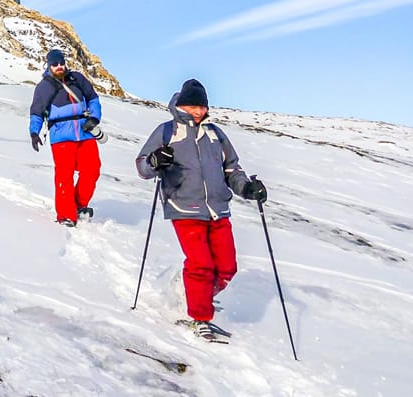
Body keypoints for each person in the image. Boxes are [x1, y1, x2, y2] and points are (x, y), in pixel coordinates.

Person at [135, 79, 267, 342]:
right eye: (194, 106)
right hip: (183, 206)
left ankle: (196, 294)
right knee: (201, 265)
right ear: (182, 105)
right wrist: (155, 161)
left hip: (218, 209)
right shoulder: (166, 131)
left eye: (202, 106)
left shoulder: (216, 134)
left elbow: (232, 169)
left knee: (227, 267)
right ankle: (200, 317)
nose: (199, 111)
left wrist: (248, 189)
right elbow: (142, 167)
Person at [28, 49, 103, 226]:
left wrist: (94, 117)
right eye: (55, 64)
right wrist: (33, 132)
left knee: (92, 170)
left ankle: (79, 204)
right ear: (49, 65)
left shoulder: (77, 78)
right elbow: (36, 112)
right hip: (61, 136)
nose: (59, 67)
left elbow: (93, 99)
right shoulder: (43, 87)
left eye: (61, 63)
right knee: (64, 175)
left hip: (85, 132)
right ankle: (66, 214)